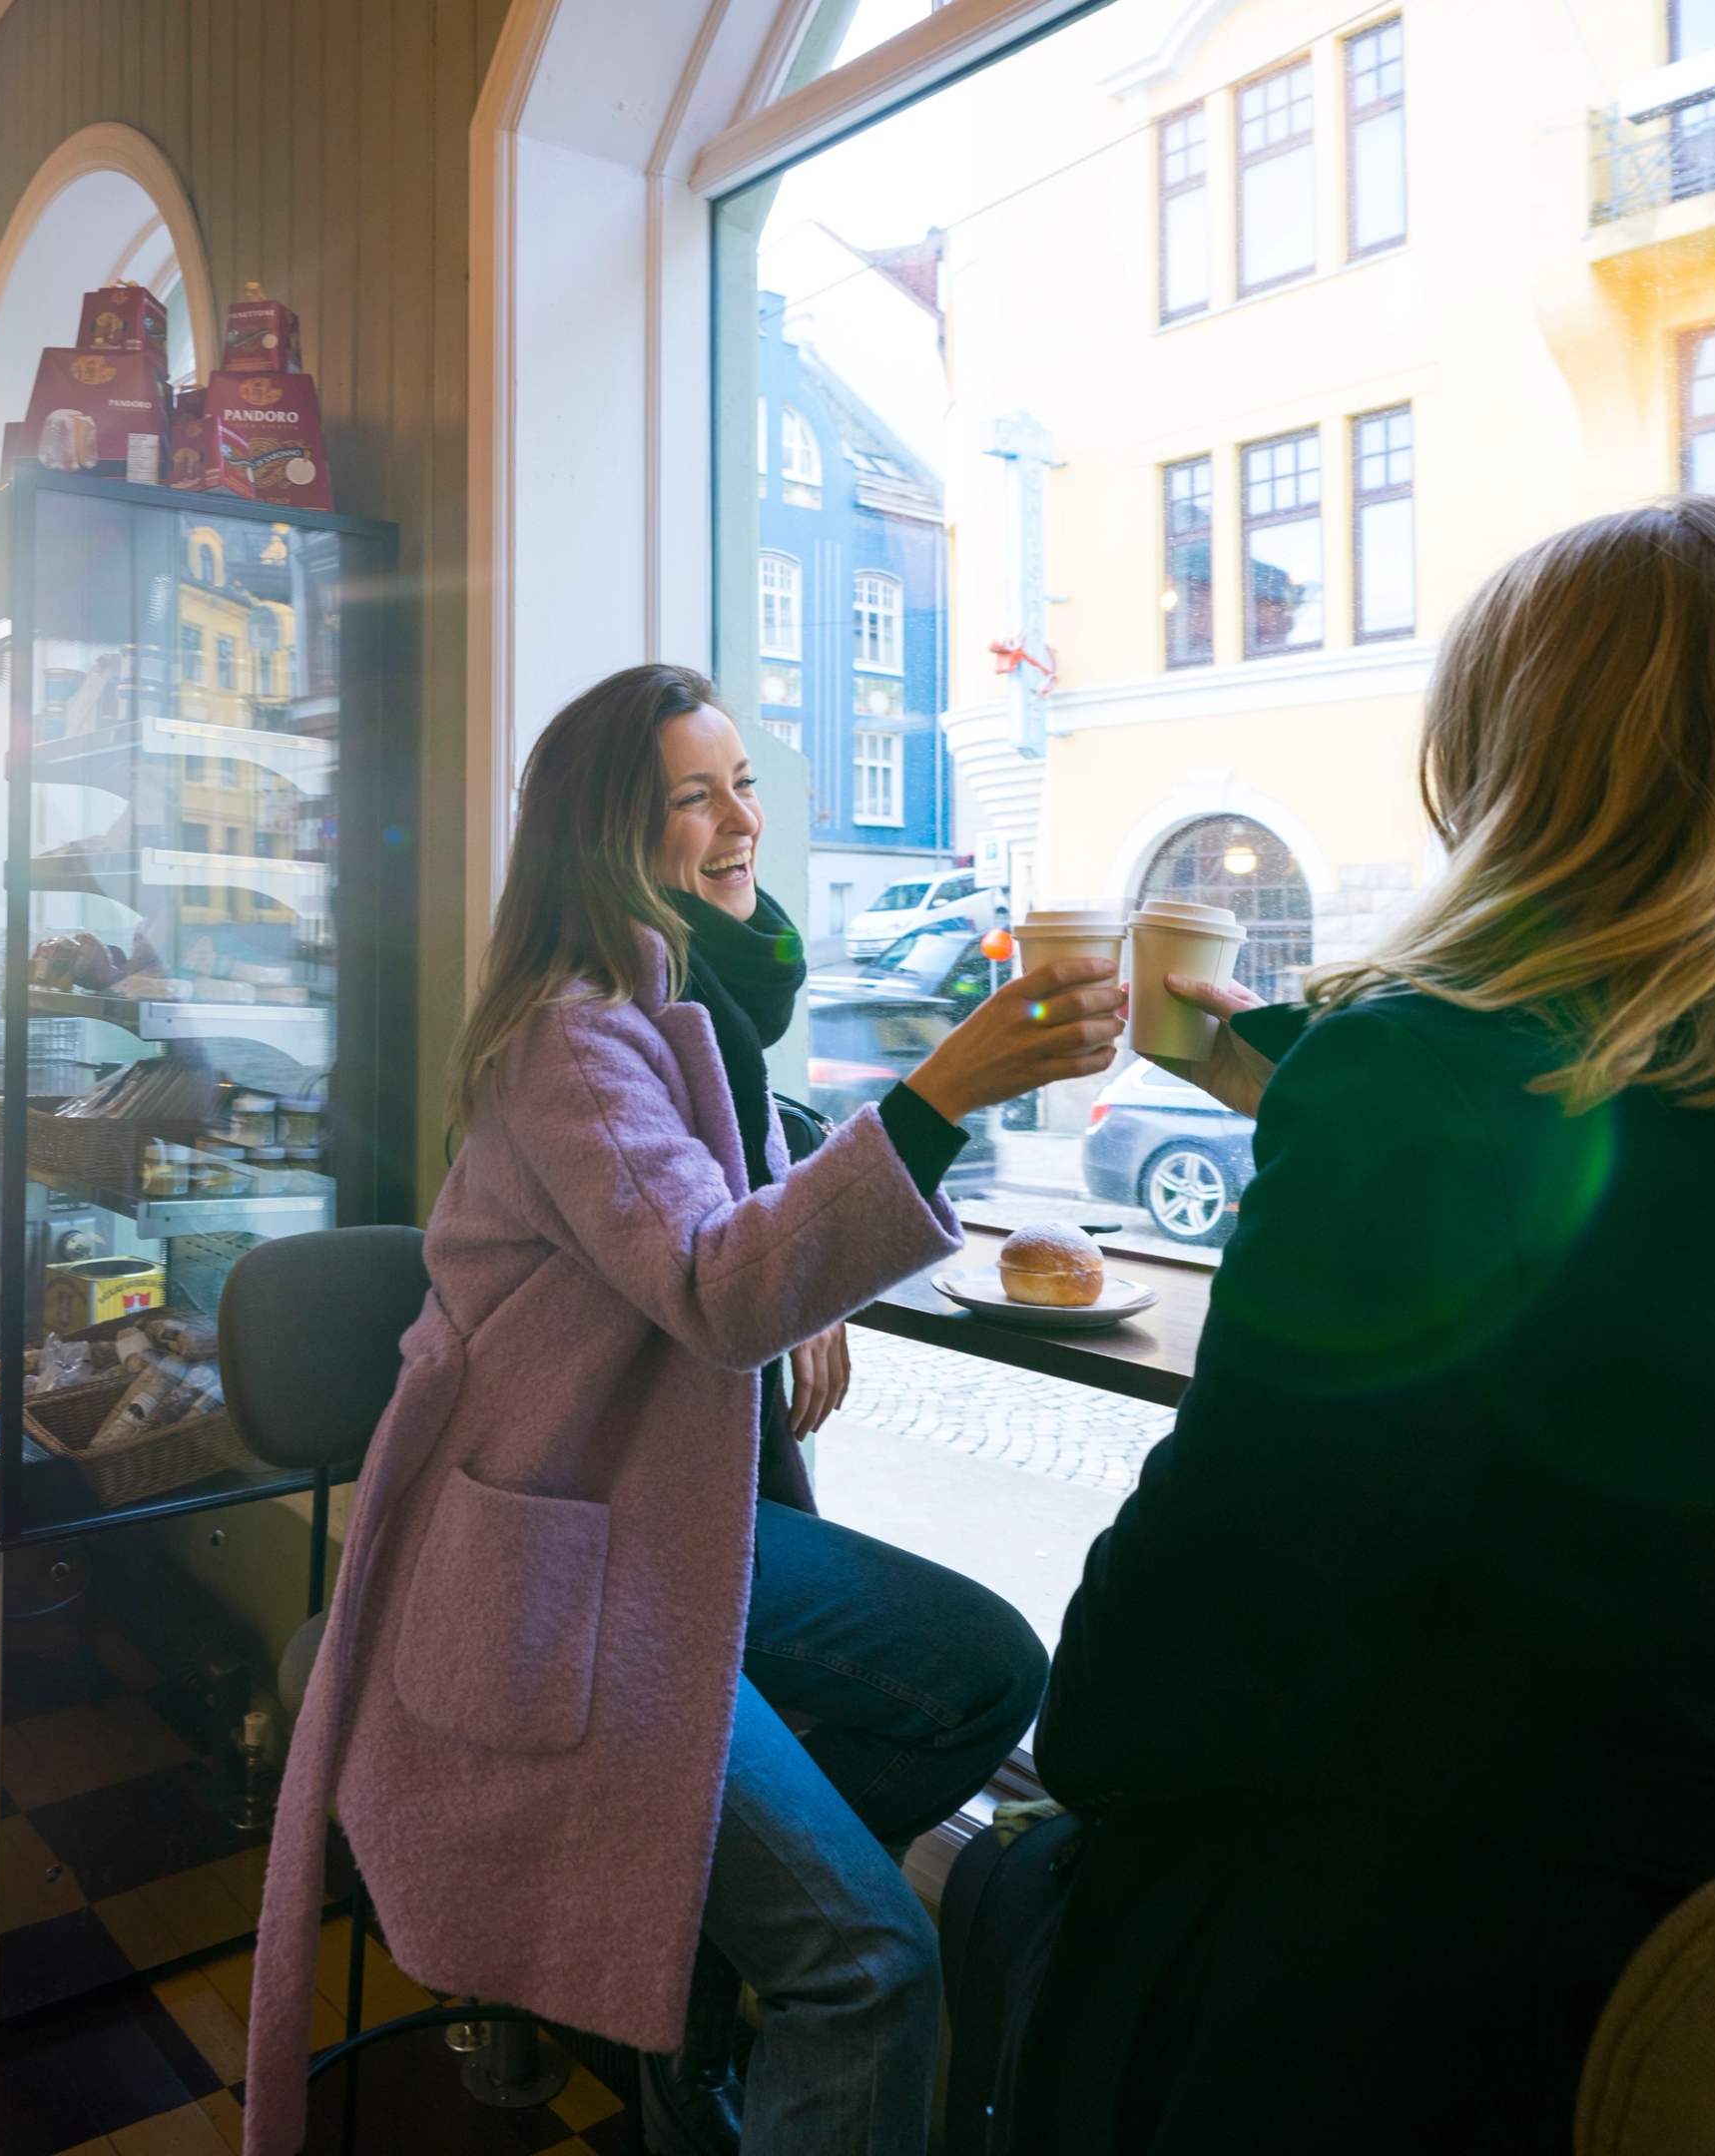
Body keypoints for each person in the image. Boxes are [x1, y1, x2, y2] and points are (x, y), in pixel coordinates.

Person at [1006, 496, 1715, 2151]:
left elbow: (1166, 1681)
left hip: (1539, 2031)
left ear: (1516, 774)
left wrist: (1347, 1124)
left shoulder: (1428, 1079)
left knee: (1016, 1897)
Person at [242, 665, 1118, 2156]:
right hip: (552, 1573)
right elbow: (715, 1280)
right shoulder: (567, 1039)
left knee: (982, 1669)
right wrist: (941, 1091)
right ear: (606, 835)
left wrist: (820, 1284)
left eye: (744, 785)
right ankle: (710, 1961)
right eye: (691, 799)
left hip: (651, 1527)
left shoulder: (684, 1008)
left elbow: (722, 1196)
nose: (737, 824)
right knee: (872, 1962)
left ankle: (675, 1940)